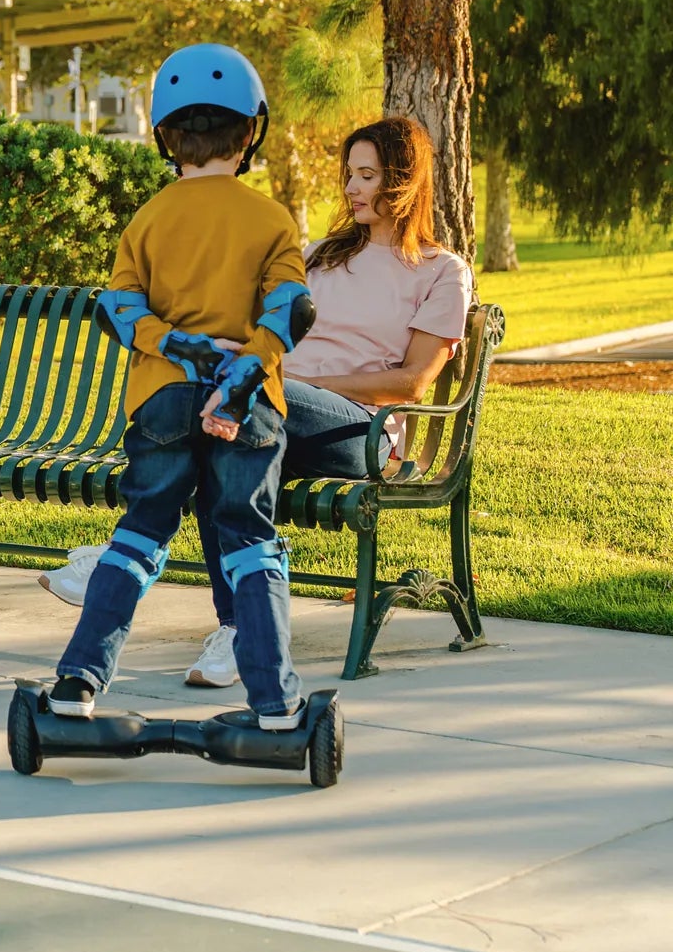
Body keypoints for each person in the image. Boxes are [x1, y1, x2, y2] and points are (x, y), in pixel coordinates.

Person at [41, 115, 473, 692]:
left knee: (235, 406)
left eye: (367, 175)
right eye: (349, 174)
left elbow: (413, 383)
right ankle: (235, 630)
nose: (351, 188)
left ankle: (129, 552)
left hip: (361, 435)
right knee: (223, 450)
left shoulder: (442, 272)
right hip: (268, 414)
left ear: (404, 181)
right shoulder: (320, 256)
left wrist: (275, 381)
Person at [46, 43, 314, 729]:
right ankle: (276, 701)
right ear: (250, 131)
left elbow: (117, 307)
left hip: (161, 397)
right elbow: (291, 309)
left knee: (139, 534)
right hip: (245, 401)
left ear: (166, 136)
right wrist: (245, 364)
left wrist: (177, 345)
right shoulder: (271, 218)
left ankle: (77, 682)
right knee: (249, 538)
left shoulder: (149, 218)